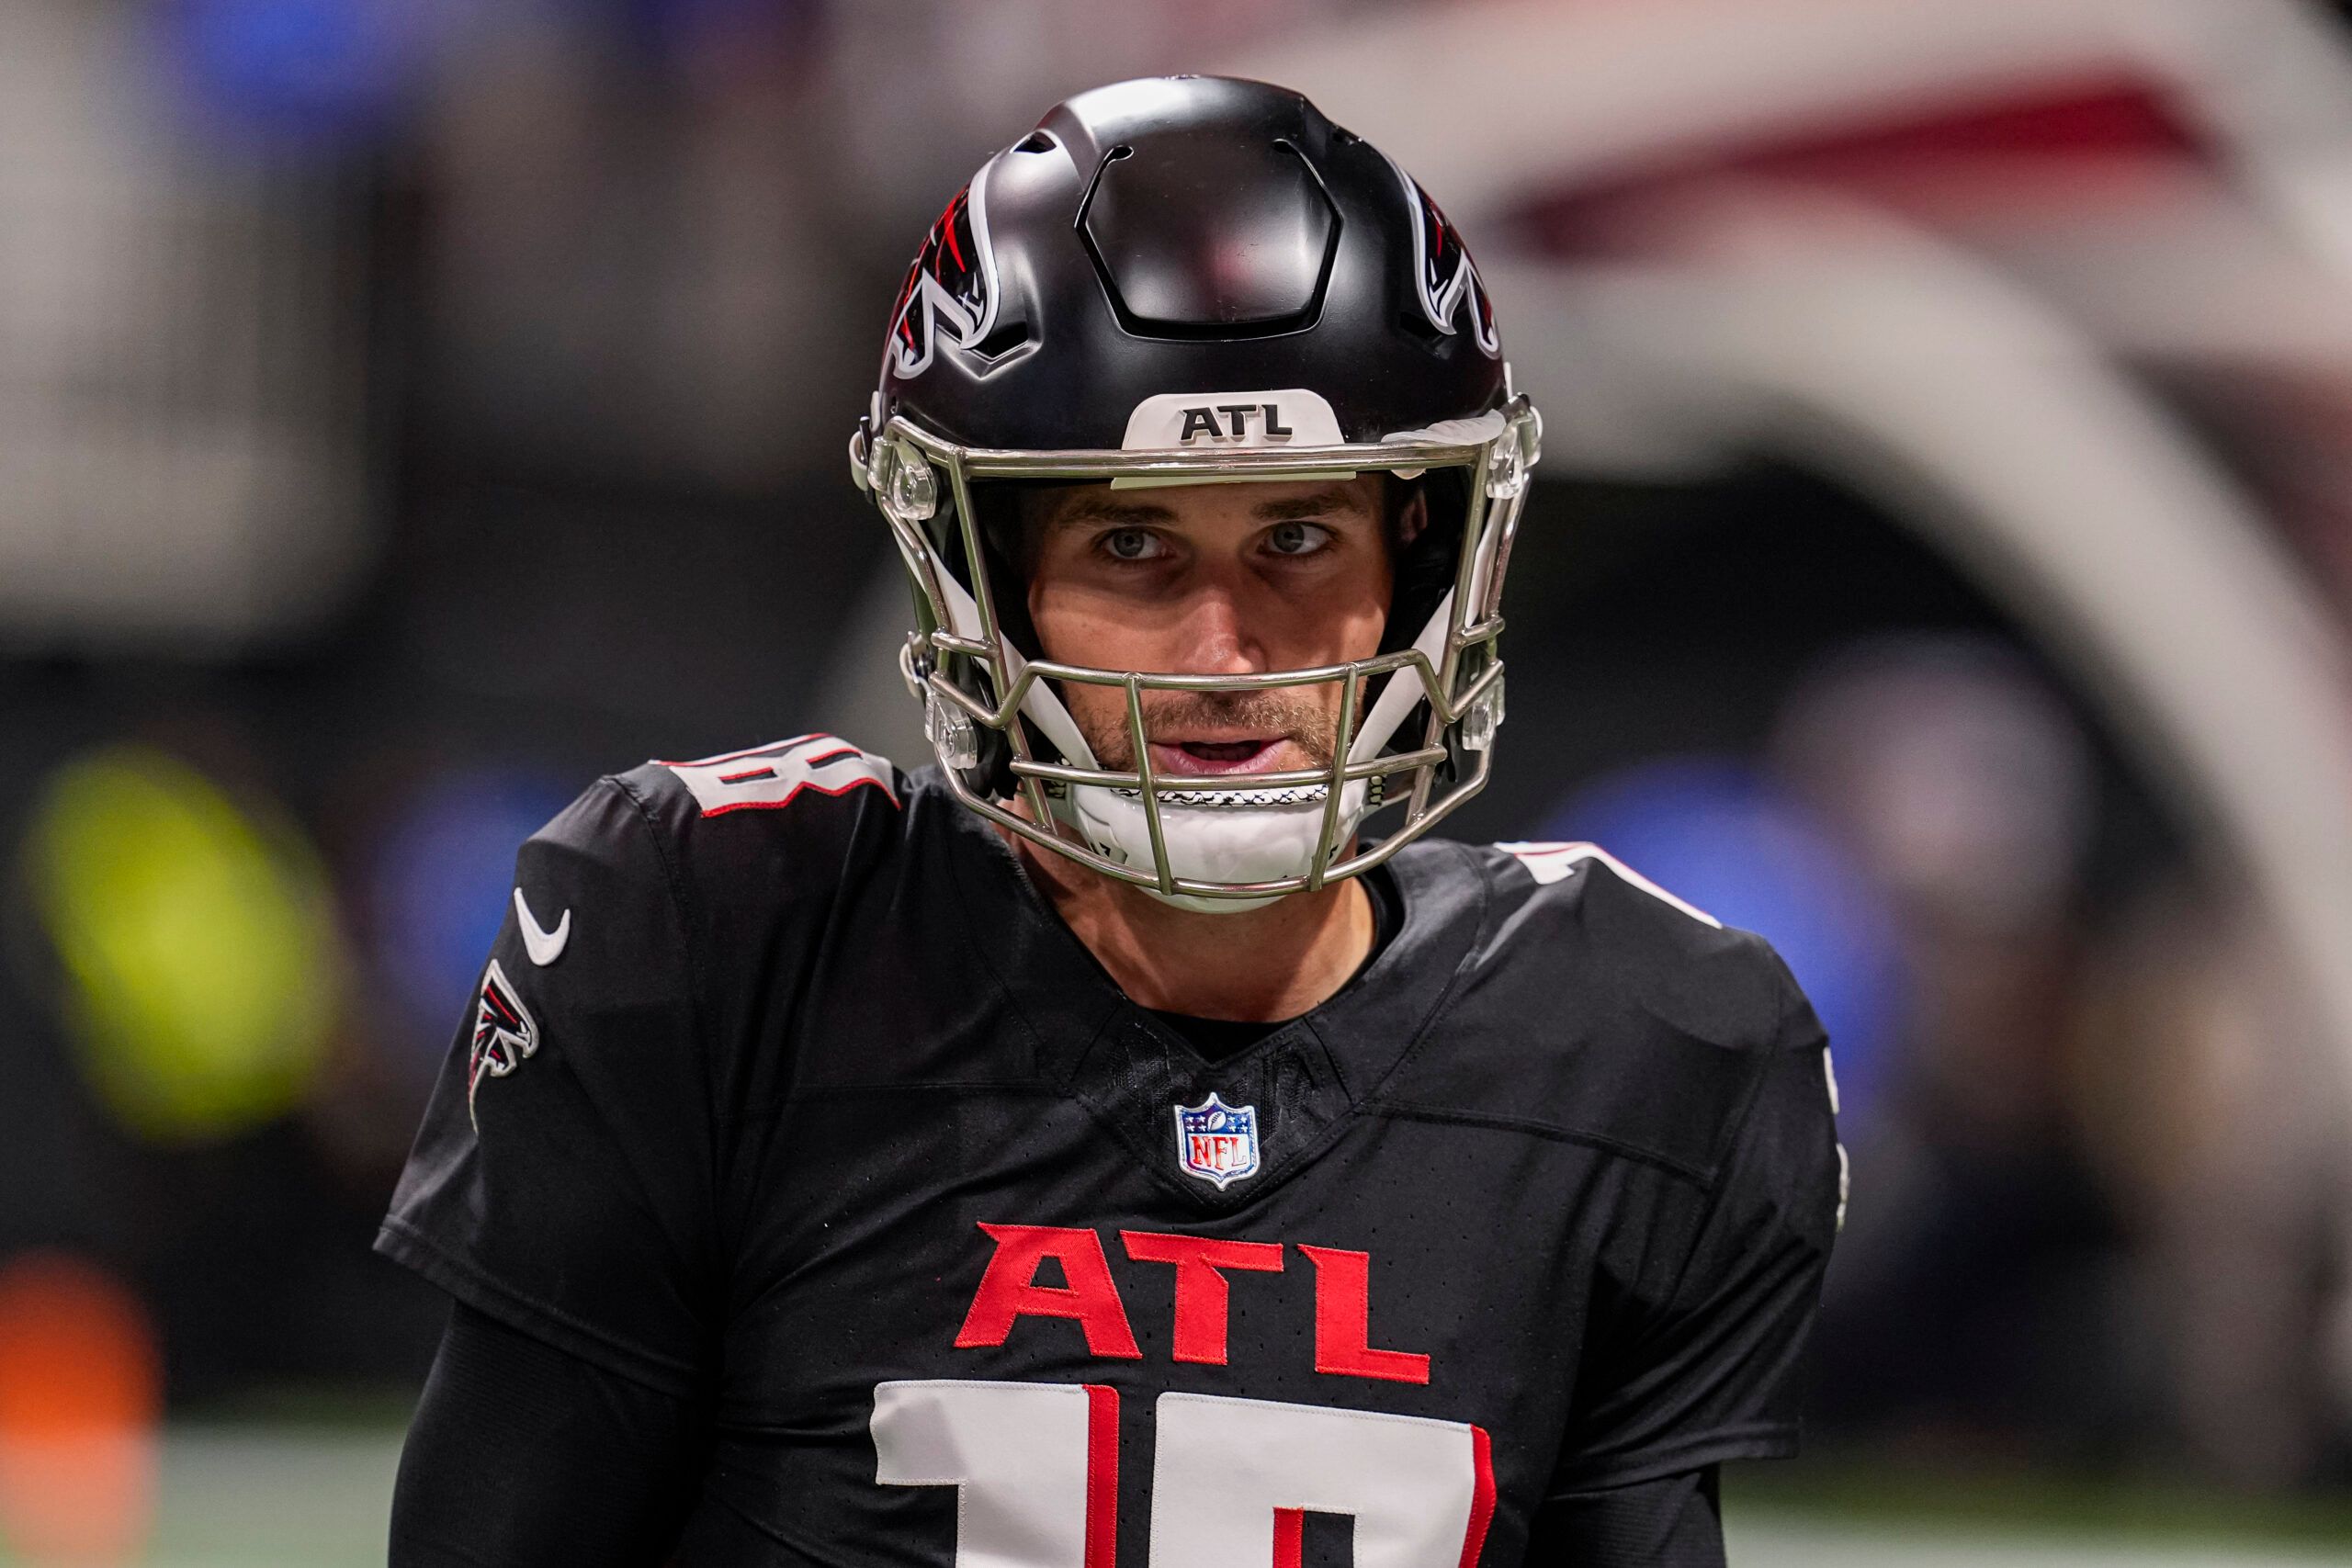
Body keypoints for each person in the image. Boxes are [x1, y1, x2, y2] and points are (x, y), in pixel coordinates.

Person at [380, 76, 1844, 1567]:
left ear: (1422, 562)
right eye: (1135, 541)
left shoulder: (1637, 1050)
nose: (1226, 651)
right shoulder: (728, 943)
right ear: (986, 576)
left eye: (1296, 536)